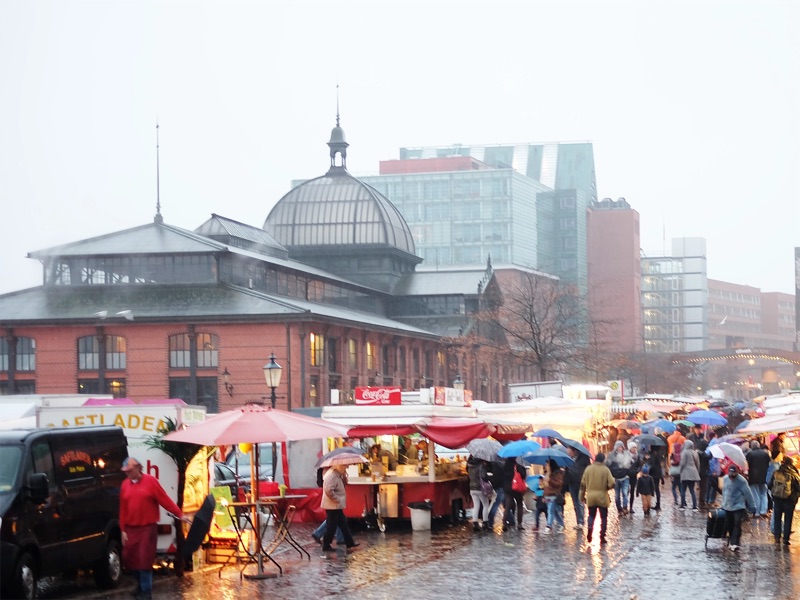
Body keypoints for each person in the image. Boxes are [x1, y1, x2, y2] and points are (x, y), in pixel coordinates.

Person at [120, 456, 191, 600]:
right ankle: (140, 585)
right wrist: (123, 530)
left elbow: (165, 500)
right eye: (126, 471)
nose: (127, 473)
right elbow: (123, 509)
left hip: (147, 528)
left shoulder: (150, 482)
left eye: (130, 470)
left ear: (138, 468)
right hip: (131, 529)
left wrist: (180, 514)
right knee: (129, 559)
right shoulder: (125, 485)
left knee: (144, 560)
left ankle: (146, 591)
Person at [321, 463, 360, 552]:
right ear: (339, 466)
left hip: (336, 505)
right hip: (332, 506)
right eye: (345, 466)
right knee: (331, 526)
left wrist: (344, 477)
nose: (346, 468)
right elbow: (328, 490)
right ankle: (326, 545)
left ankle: (349, 542)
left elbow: (341, 486)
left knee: (343, 524)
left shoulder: (337, 475)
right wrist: (337, 499)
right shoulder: (332, 476)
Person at [580, 453, 615, 545]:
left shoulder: (588, 469)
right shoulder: (605, 469)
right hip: (602, 496)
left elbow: (583, 484)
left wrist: (581, 496)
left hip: (591, 496)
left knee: (591, 515)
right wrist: (607, 488)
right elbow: (612, 482)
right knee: (604, 517)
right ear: (603, 460)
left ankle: (590, 528)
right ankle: (602, 536)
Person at [721, 465, 755, 552]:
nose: (731, 477)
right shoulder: (725, 479)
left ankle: (735, 543)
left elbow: (748, 494)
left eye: (733, 475)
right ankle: (732, 541)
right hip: (727, 506)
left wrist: (752, 506)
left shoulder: (742, 481)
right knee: (730, 524)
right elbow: (724, 491)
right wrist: (723, 503)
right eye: (730, 475)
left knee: (737, 524)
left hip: (738, 507)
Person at [768, 456, 800, 545]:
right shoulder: (794, 474)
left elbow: (769, 485)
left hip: (778, 500)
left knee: (777, 519)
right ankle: (786, 539)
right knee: (788, 520)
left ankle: (777, 538)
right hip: (790, 501)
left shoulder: (776, 473)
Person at [565, 445, 590, 529]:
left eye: (570, 452)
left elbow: (588, 468)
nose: (569, 454)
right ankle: (578, 521)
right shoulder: (568, 459)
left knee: (580, 502)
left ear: (574, 451)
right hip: (571, 483)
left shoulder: (583, 457)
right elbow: (567, 471)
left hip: (580, 483)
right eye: (568, 452)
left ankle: (581, 522)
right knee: (575, 503)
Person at [467, 456, 493, 532]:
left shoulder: (469, 466)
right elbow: (484, 476)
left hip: (472, 487)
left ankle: (475, 524)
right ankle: (485, 523)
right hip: (480, 488)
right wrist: (488, 476)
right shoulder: (481, 465)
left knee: (476, 506)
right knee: (485, 505)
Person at [745, 440, 770, 518]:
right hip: (764, 477)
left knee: (755, 494)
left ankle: (757, 512)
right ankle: (763, 511)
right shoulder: (765, 454)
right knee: (763, 494)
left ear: (752, 446)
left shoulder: (750, 454)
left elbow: (747, 466)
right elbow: (768, 464)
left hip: (753, 477)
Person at [606, 441, 632, 514]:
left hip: (625, 477)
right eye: (619, 447)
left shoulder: (626, 454)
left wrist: (628, 472)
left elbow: (630, 464)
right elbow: (608, 466)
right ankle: (619, 509)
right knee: (617, 495)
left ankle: (625, 507)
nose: (620, 448)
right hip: (616, 478)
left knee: (625, 493)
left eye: (621, 447)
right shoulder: (611, 455)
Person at [502, 457, 526, 531]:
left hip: (507, 488)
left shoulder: (505, 466)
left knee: (508, 506)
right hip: (516, 488)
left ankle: (504, 523)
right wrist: (523, 468)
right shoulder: (517, 465)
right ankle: (519, 524)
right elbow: (523, 475)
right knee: (519, 504)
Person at [543, 459, 565, 534]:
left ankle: (548, 526)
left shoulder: (558, 474)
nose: (546, 466)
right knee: (555, 512)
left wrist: (549, 480)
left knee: (550, 510)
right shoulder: (547, 473)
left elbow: (559, 484)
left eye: (547, 464)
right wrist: (543, 496)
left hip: (553, 495)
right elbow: (545, 486)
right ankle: (561, 524)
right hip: (547, 495)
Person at [679, 439, 700, 510]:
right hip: (693, 473)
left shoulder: (684, 452)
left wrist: (680, 471)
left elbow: (682, 463)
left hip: (685, 473)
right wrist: (697, 472)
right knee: (692, 490)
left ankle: (682, 505)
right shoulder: (695, 453)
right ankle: (694, 506)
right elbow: (697, 464)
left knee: (683, 489)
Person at [627, 443, 641, 514]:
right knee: (626, 491)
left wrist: (637, 471)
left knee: (632, 492)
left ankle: (631, 507)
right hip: (627, 476)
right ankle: (625, 506)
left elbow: (639, 465)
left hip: (634, 476)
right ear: (630, 448)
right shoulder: (626, 455)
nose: (634, 449)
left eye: (635, 447)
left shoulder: (637, 456)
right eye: (633, 447)